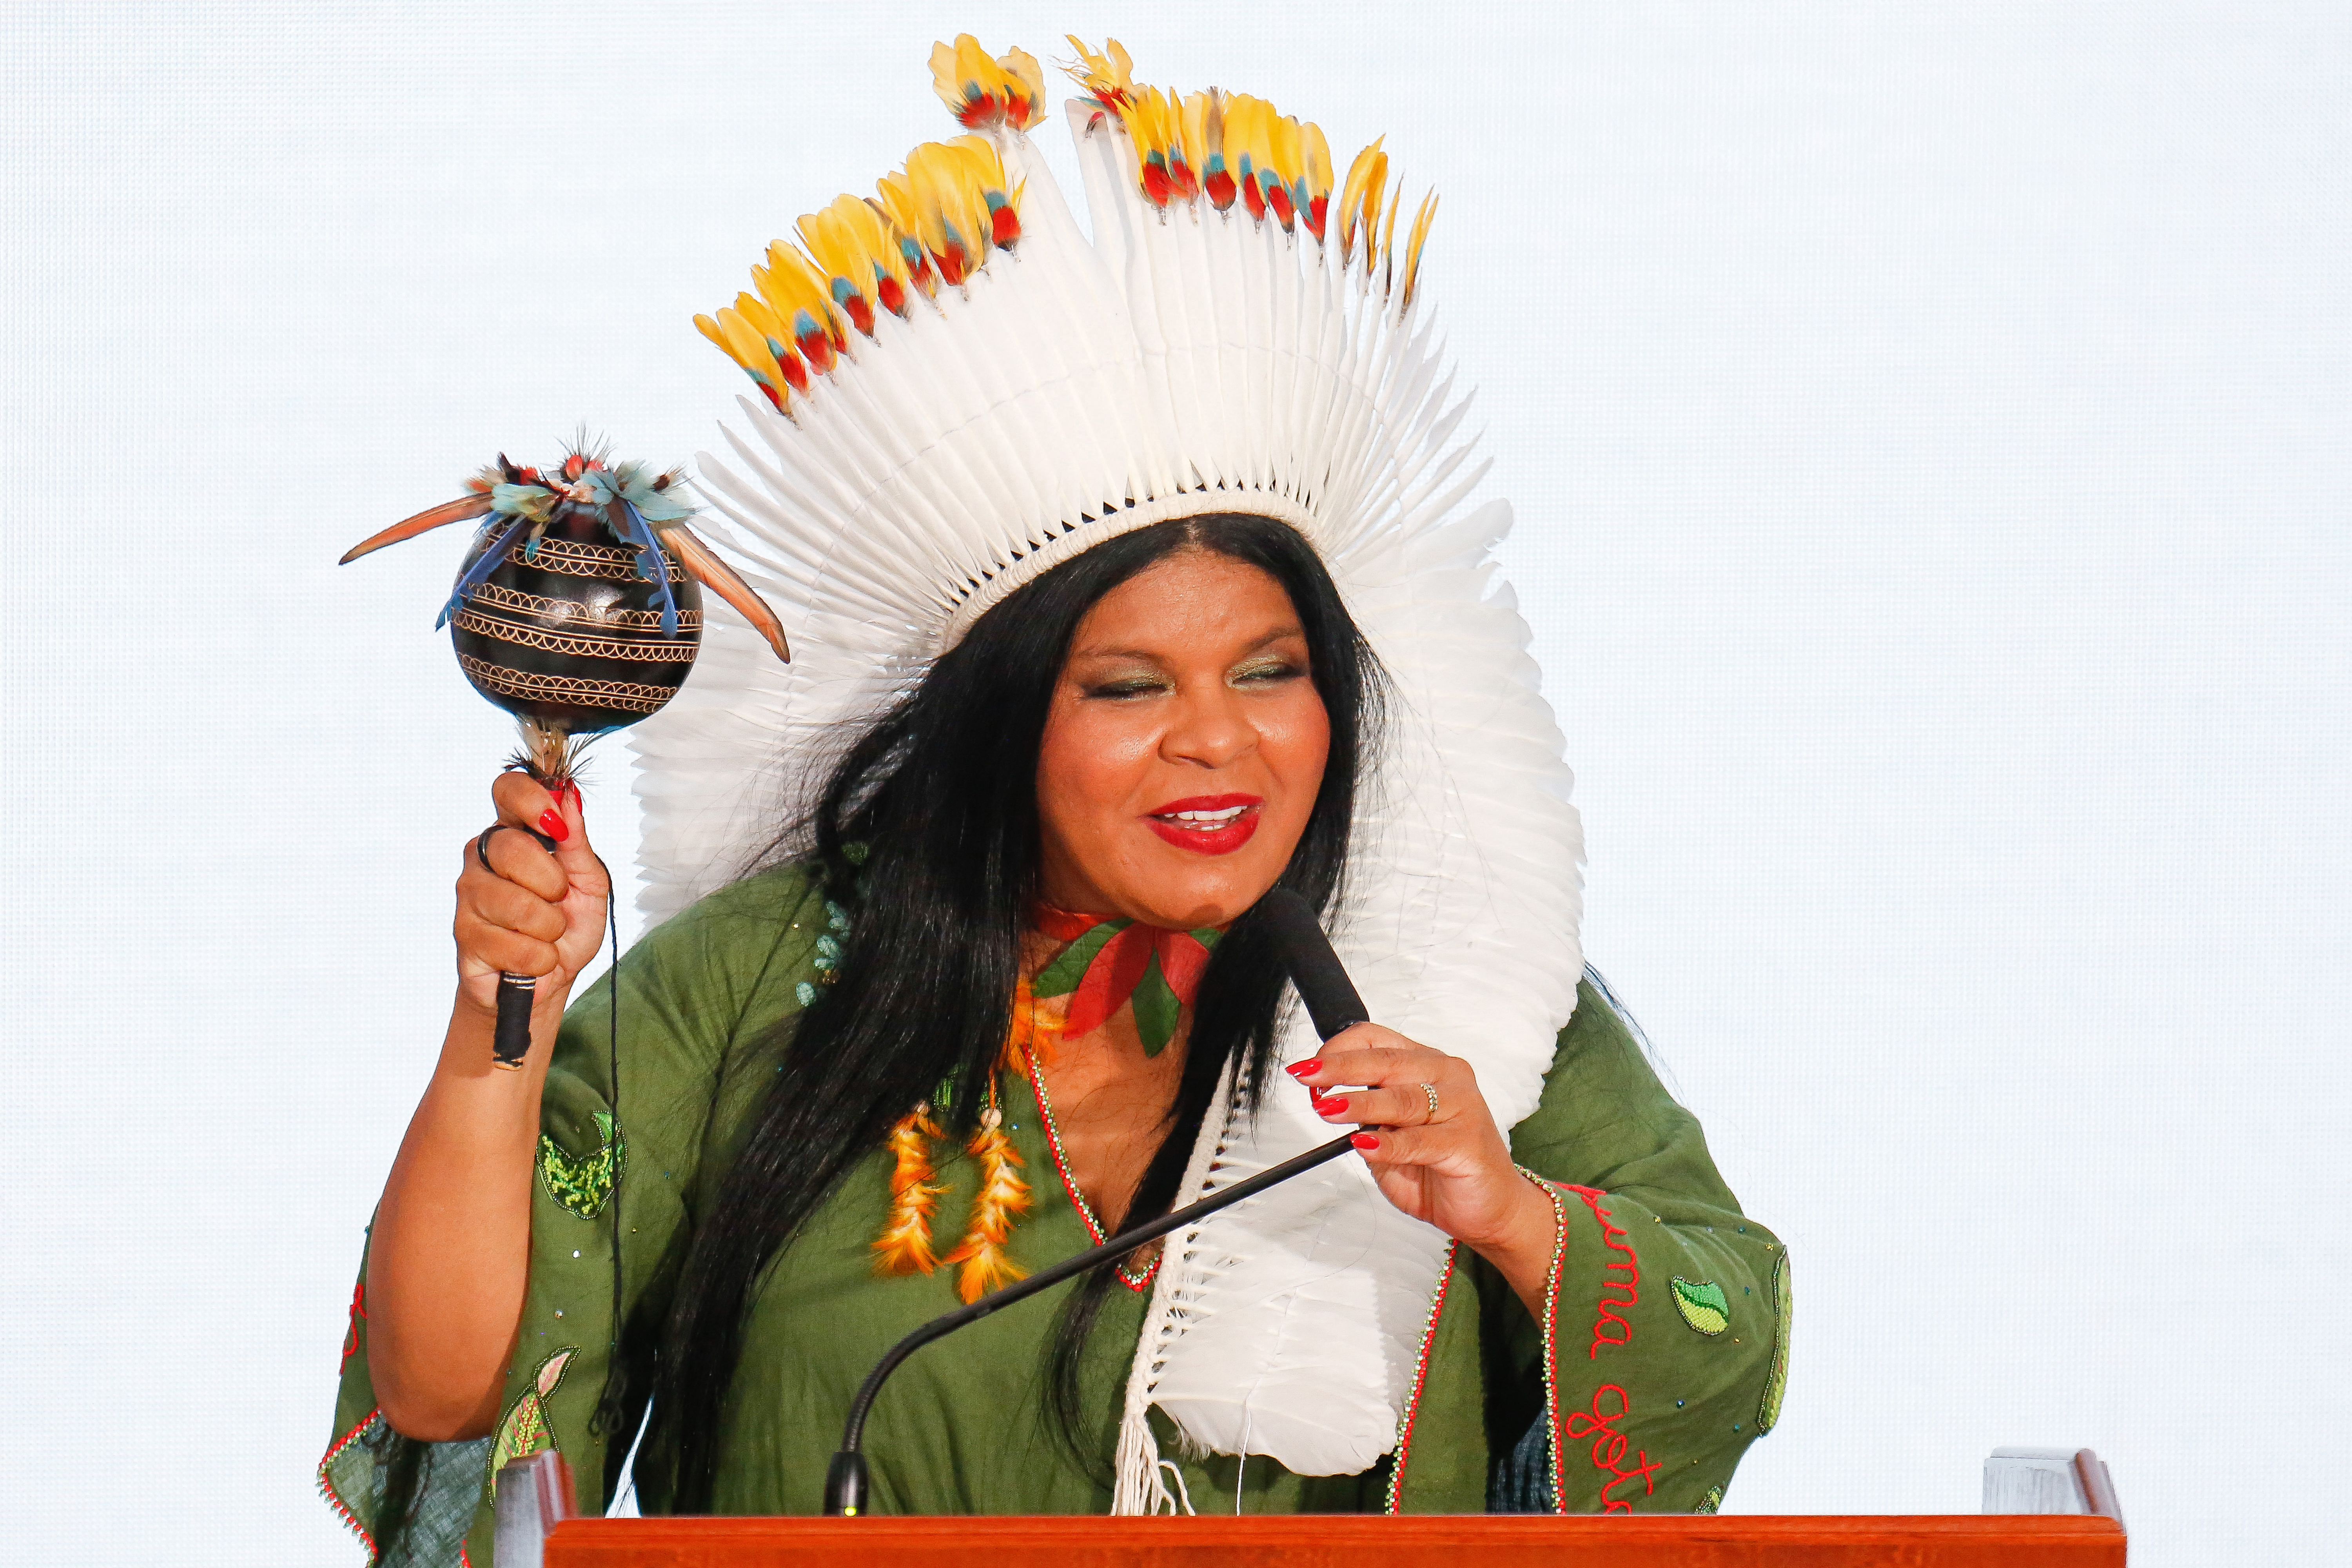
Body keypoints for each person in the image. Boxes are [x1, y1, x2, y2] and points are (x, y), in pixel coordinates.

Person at [321, 36, 1789, 1564]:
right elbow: (447, 1401)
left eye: (1271, 673)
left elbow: (1719, 1326)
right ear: (1001, 724)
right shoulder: (757, 981)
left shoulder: (1457, 986)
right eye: (1131, 688)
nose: (1217, 741)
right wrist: (503, 1023)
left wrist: (1507, 1211)